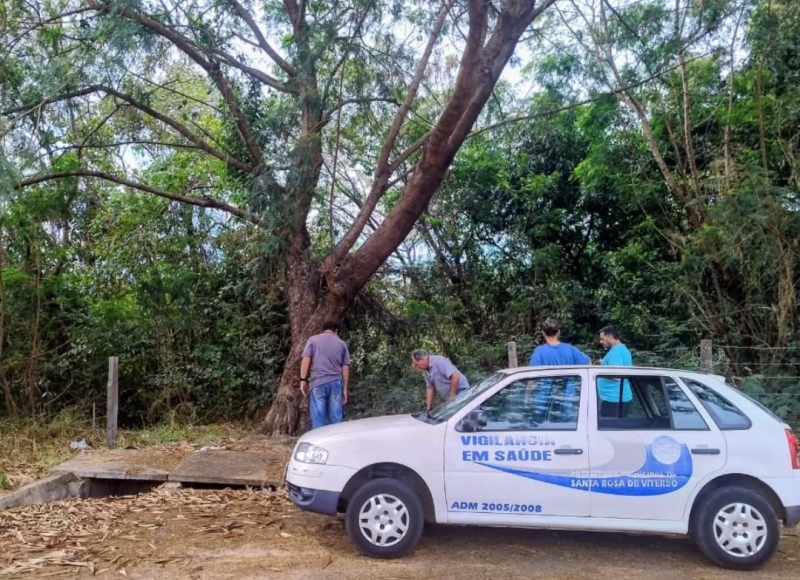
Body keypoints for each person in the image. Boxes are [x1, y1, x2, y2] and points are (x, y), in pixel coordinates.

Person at [299, 321, 351, 429]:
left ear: (323, 330)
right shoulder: (341, 343)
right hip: (336, 384)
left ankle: (319, 443)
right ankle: (336, 443)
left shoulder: (313, 340)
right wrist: (345, 389)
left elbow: (306, 359)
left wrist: (303, 380)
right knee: (336, 419)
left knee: (318, 419)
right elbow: (345, 367)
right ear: (335, 331)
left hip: (318, 383)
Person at [597, 325, 633, 417]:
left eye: (602, 339)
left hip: (613, 399)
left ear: (610, 337)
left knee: (609, 429)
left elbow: (616, 375)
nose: (601, 342)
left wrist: (601, 369)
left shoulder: (616, 352)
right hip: (618, 397)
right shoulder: (622, 350)